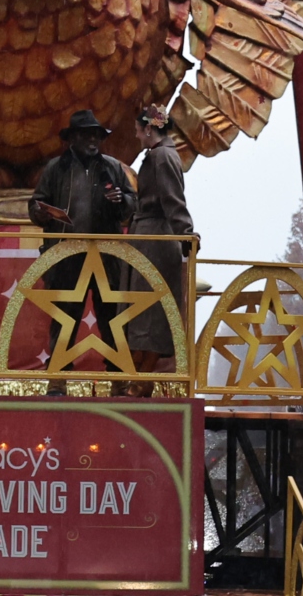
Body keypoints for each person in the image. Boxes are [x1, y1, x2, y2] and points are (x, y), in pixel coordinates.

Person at [29, 110, 135, 391]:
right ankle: (57, 382)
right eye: (86, 134)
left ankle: (119, 382)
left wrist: (120, 200)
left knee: (112, 319)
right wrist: (41, 212)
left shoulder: (113, 167)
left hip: (107, 258)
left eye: (96, 135)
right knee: (64, 319)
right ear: (72, 139)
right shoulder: (55, 169)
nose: (93, 140)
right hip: (66, 258)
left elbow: (131, 204)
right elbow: (35, 204)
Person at [119, 104, 196, 396]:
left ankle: (141, 382)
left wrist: (186, 235)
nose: (137, 136)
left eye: (139, 130)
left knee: (150, 312)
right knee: (142, 311)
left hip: (155, 241)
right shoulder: (159, 155)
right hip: (147, 238)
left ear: (149, 129)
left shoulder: (163, 157)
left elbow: (173, 199)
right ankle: (140, 380)